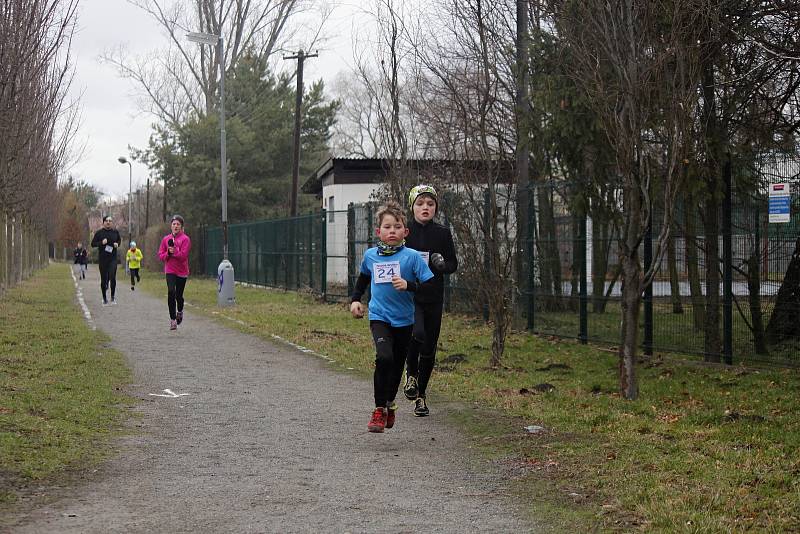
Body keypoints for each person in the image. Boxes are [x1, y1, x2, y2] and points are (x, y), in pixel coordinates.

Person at [350, 201, 435, 433]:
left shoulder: (412, 257)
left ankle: (389, 403)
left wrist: (409, 285)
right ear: (379, 231)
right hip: (379, 316)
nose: (392, 231)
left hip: (405, 320)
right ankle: (379, 410)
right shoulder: (371, 256)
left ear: (405, 232)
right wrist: (356, 300)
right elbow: (363, 279)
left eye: (397, 227)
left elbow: (430, 287)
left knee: (397, 366)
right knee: (384, 357)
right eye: (387, 227)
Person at [403, 185, 458, 417]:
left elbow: (453, 265)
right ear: (412, 206)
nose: (425, 207)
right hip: (411, 296)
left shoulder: (442, 233)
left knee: (429, 348)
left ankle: (421, 396)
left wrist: (442, 265)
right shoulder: (405, 232)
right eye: (420, 203)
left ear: (436, 207)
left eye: (430, 204)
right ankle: (410, 373)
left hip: (434, 297)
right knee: (417, 334)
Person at [158, 215, 191, 331]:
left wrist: (174, 251)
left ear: (181, 227)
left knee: (179, 296)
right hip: (170, 270)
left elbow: (183, 256)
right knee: (171, 292)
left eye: (178, 224)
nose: (175, 226)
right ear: (171, 226)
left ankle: (180, 311)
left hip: (182, 271)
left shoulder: (185, 239)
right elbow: (161, 255)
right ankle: (172, 320)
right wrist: (167, 253)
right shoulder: (165, 239)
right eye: (174, 224)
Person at [90, 215, 121, 305]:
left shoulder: (115, 232)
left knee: (112, 276)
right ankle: (104, 298)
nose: (108, 222)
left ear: (112, 223)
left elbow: (119, 240)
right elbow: (93, 244)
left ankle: (112, 297)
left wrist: (117, 244)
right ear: (103, 222)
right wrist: (101, 243)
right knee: (104, 279)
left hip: (113, 258)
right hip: (103, 259)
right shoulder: (99, 233)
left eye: (110, 221)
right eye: (106, 221)